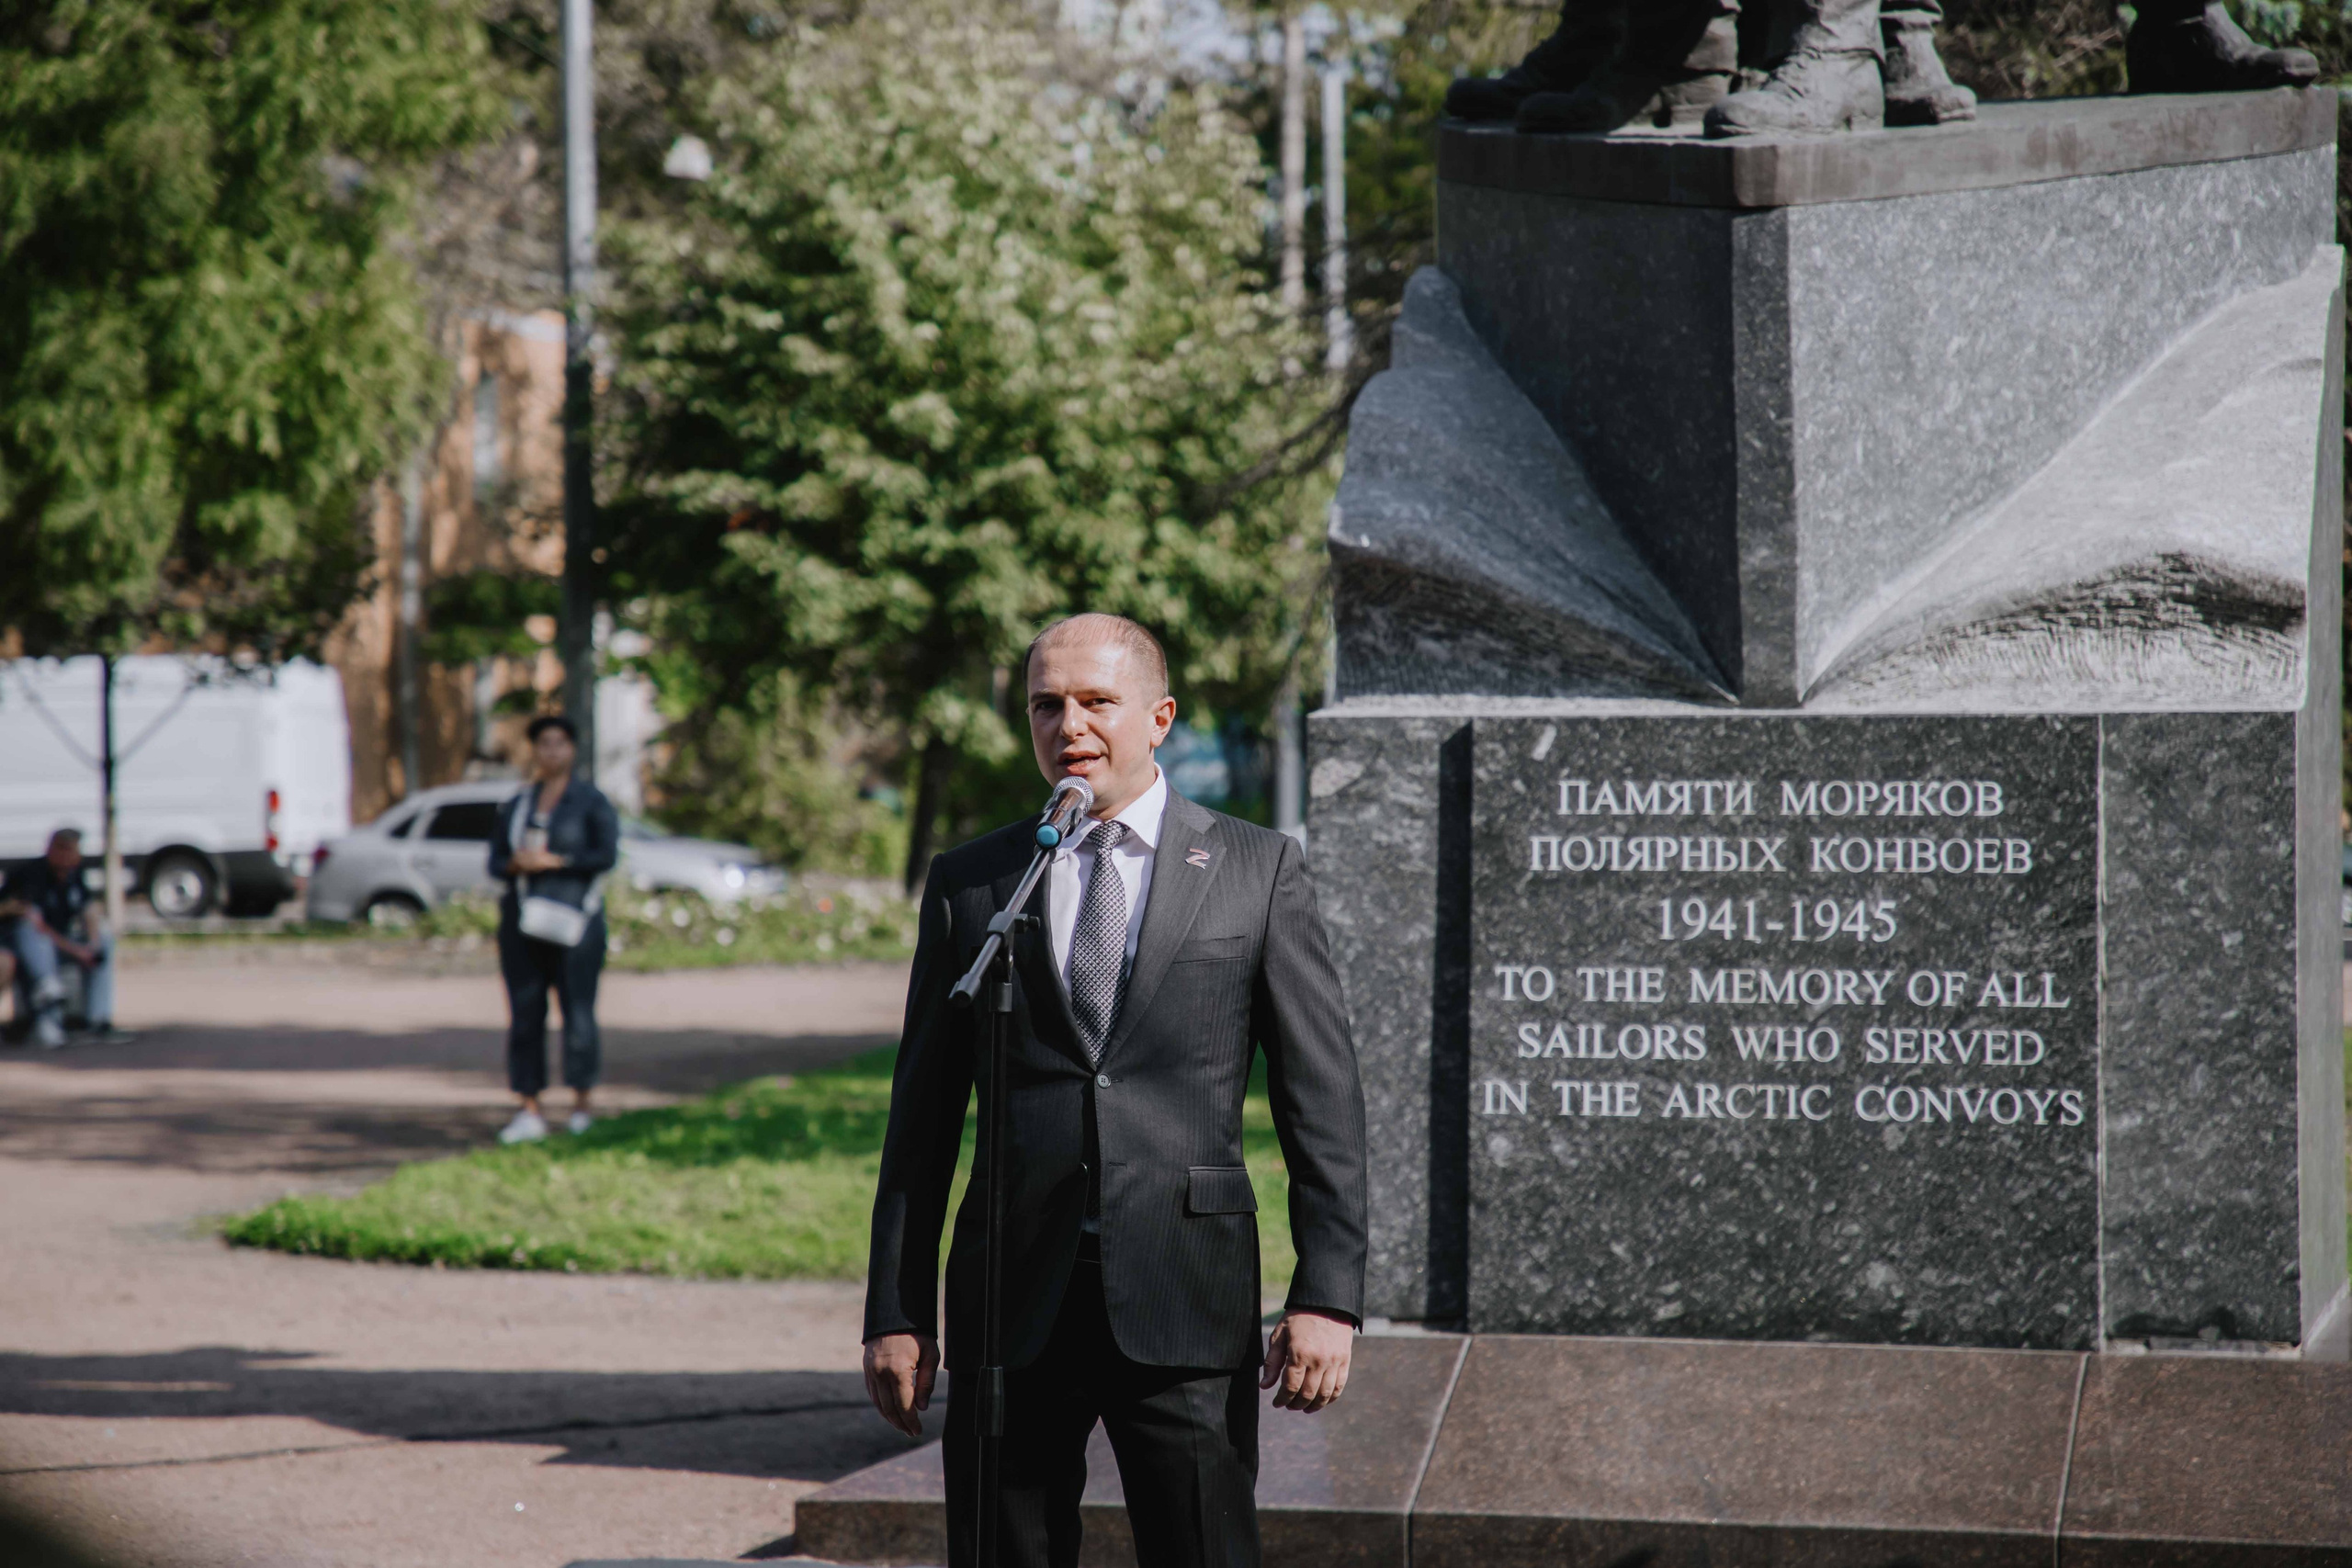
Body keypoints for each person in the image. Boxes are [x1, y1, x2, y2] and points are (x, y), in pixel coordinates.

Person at [864, 614, 1369, 1568]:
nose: (1070, 726)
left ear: (1159, 717)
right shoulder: (977, 883)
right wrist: (895, 1309)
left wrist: (1328, 1295)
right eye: (1045, 705)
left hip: (1185, 1293)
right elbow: (920, 1121)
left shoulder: (1256, 870)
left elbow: (1324, 1106)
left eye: (1097, 701)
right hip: (1013, 1295)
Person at [486, 715, 618, 1145]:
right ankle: (529, 1109)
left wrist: (557, 862)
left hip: (575, 920)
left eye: (560, 743)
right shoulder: (519, 803)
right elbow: (494, 861)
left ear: (572, 749)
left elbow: (606, 855)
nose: (552, 751)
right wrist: (517, 863)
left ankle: (582, 1106)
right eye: (544, 743)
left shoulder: (590, 801)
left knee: (578, 1012)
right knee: (525, 1015)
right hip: (523, 921)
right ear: (535, 749)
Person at [0, 829, 128, 1049]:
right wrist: (77, 951)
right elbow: (39, 926)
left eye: (74, 850)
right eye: (64, 849)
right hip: (26, 947)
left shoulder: (74, 875)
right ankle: (48, 1000)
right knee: (33, 935)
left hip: (59, 944)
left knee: (104, 940)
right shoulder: (31, 875)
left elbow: (89, 910)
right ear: (51, 849)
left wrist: (93, 944)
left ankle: (98, 1021)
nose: (70, 856)